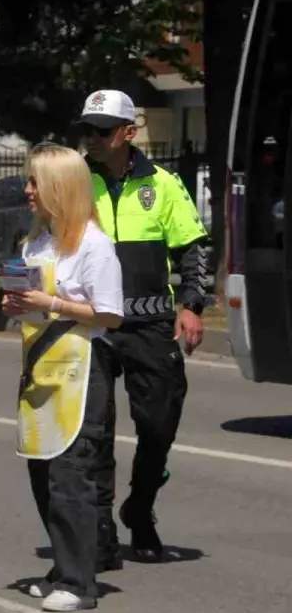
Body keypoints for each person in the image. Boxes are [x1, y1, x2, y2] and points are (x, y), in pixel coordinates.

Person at [78, 90, 211, 565]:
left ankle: (140, 506)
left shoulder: (165, 184)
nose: (91, 139)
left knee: (158, 425)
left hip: (150, 323)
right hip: (91, 324)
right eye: (86, 130)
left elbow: (192, 248)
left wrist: (192, 306)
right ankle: (98, 535)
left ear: (128, 133)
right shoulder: (75, 181)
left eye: (102, 130)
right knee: (92, 433)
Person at [4, 143, 124, 612]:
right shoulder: (36, 241)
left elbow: (110, 315)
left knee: (70, 475)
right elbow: (30, 297)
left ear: (59, 187)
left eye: (35, 182)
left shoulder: (94, 244)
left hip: (80, 369)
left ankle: (78, 582)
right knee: (43, 468)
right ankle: (62, 567)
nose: (27, 190)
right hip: (40, 364)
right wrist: (16, 304)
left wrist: (51, 304)